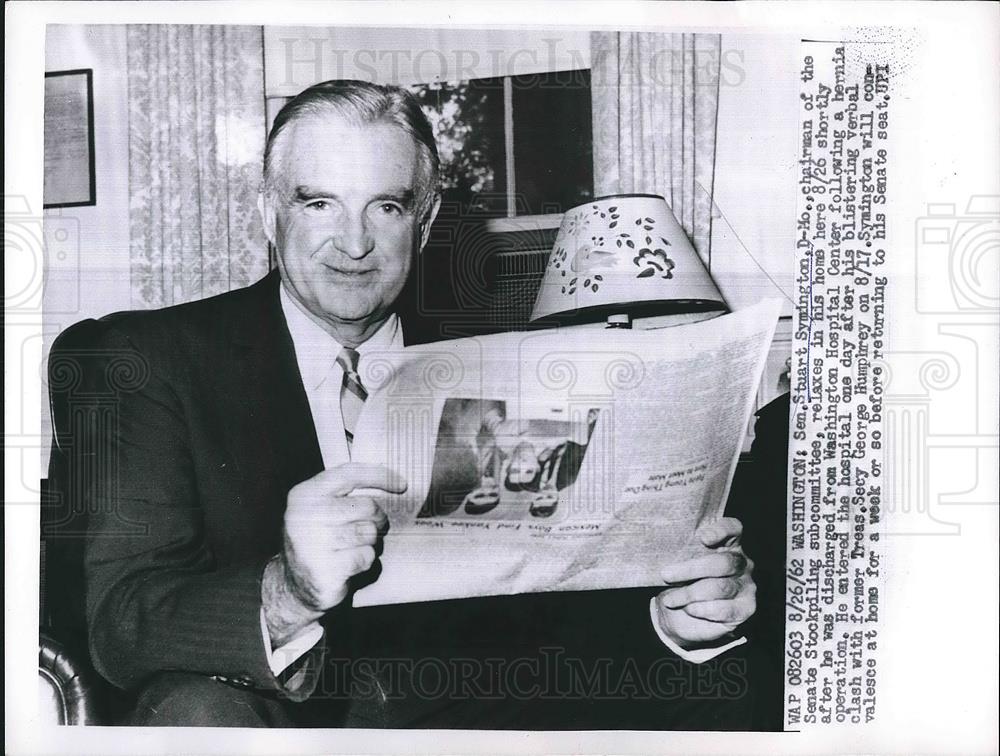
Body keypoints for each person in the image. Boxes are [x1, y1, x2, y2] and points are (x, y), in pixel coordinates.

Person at [46, 80, 771, 729]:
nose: (355, 243)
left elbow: (556, 593)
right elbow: (123, 620)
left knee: (727, 680)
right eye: (318, 201)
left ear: (422, 225)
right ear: (271, 213)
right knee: (195, 714)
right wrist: (287, 591)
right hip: (279, 708)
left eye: (385, 206)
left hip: (472, 703)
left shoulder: (500, 363)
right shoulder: (146, 361)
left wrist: (676, 619)